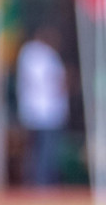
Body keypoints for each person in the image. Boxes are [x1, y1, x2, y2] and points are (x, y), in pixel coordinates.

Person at [16, 26, 69, 187]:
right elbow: (57, 81)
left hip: (34, 109)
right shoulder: (42, 54)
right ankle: (42, 182)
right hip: (47, 109)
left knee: (36, 149)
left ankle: (36, 181)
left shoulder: (28, 53)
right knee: (46, 150)